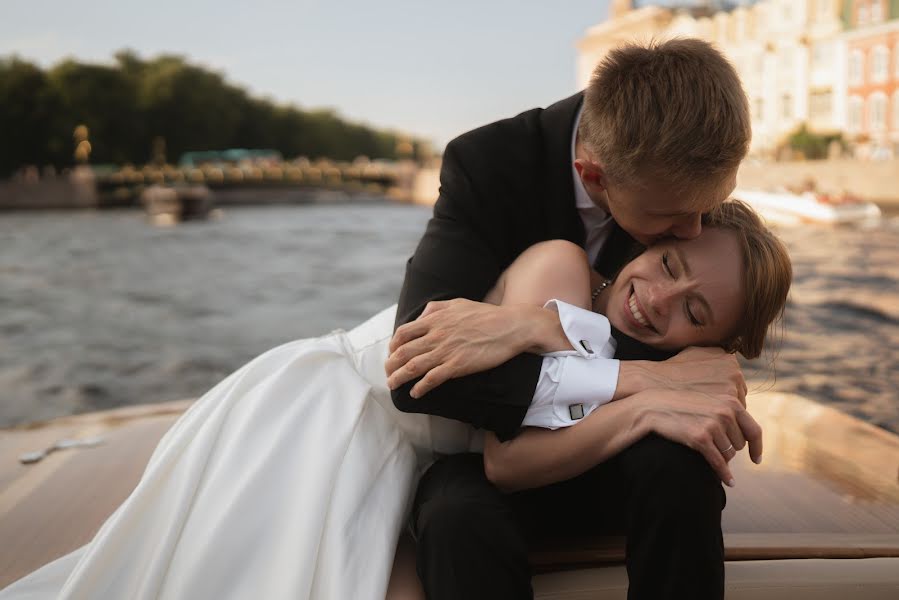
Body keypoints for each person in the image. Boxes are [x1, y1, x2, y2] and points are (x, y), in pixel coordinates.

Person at [0, 201, 790, 600]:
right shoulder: (559, 270)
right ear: (647, 237)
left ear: (713, 339)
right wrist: (648, 395)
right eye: (665, 260)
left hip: (406, 440)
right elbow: (507, 457)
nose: (658, 298)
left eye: (693, 311)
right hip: (339, 416)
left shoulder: (666, 354)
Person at [384, 39, 757, 599]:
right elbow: (418, 375)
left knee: (682, 467)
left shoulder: (681, 172)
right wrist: (647, 379)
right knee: (457, 516)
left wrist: (706, 359)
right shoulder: (488, 165)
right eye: (671, 218)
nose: (695, 231)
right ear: (594, 175)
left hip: (602, 444)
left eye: (707, 206)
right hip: (491, 443)